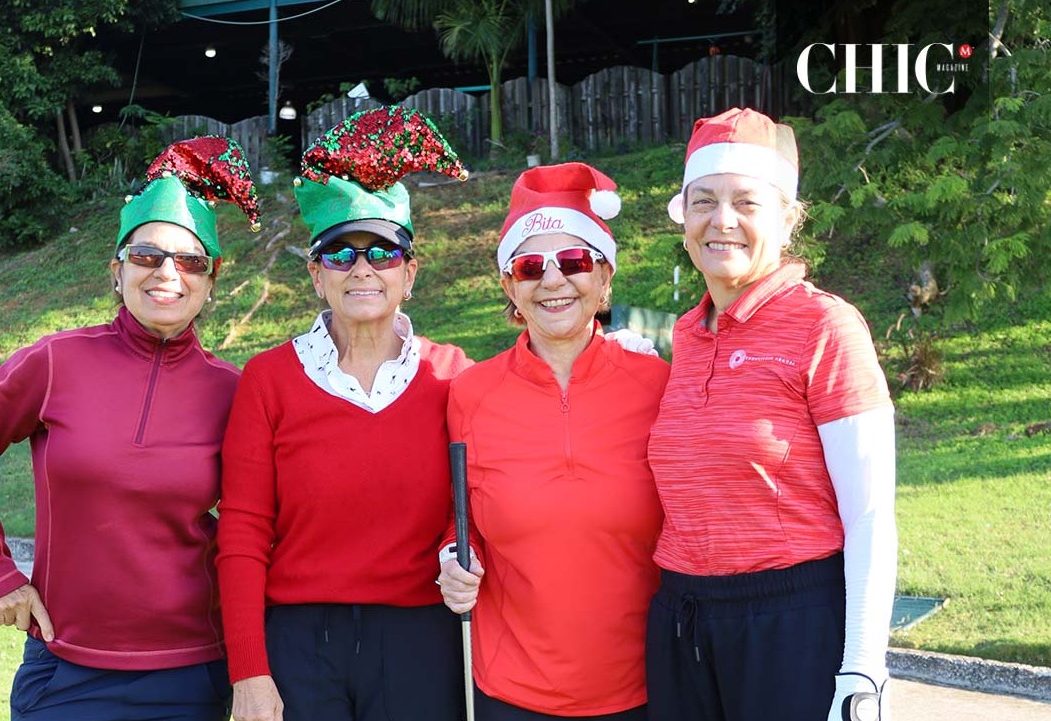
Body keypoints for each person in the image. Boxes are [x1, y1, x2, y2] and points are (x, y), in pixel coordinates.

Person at [0, 136, 261, 721]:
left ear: (210, 282)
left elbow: (258, 526)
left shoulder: (235, 391)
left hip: (194, 674)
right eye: (147, 256)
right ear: (117, 270)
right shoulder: (56, 362)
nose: (167, 274)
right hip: (66, 671)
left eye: (190, 262)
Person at [216, 106, 474, 721]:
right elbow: (243, 532)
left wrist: (450, 552)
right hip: (301, 644)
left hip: (419, 638)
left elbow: (469, 506)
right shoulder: (268, 379)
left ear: (409, 274)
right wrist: (250, 673)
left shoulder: (452, 374)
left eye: (383, 253)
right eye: (340, 254)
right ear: (315, 275)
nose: (362, 268)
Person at [644, 107, 897, 721]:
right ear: (683, 219)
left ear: (787, 217)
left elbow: (869, 515)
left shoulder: (826, 326)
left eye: (746, 203)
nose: (720, 221)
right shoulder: (685, 333)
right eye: (702, 201)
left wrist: (863, 668)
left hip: (790, 623)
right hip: (682, 620)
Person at [437, 162, 672, 720]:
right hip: (512, 690)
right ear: (509, 287)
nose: (552, 280)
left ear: (605, 278)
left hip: (646, 686)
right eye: (528, 266)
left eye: (573, 262)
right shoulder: (469, 393)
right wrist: (454, 555)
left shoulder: (659, 385)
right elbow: (460, 513)